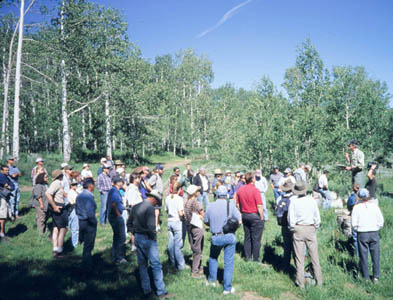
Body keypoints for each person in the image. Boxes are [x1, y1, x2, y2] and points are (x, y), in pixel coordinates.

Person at [128, 190, 173, 299]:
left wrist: (133, 234)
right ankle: (161, 291)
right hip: (147, 238)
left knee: (142, 265)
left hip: (138, 237)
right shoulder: (149, 209)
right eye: (157, 202)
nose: (156, 204)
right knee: (156, 265)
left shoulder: (136, 206)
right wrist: (154, 238)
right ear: (153, 198)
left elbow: (129, 223)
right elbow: (151, 227)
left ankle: (146, 290)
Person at [204, 186, 241, 295]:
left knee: (213, 257)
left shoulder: (210, 206)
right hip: (229, 236)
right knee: (228, 263)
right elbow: (239, 221)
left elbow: (206, 221)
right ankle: (227, 288)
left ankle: (211, 281)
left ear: (216, 194)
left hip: (216, 237)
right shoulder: (231, 205)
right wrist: (233, 230)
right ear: (226, 195)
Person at [288, 181, 322, 288]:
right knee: (314, 256)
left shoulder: (294, 202)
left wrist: (293, 228)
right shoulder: (312, 201)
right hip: (310, 228)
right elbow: (317, 217)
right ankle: (319, 281)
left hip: (298, 228)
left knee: (299, 257)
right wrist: (315, 227)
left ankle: (300, 282)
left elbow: (291, 219)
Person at [351, 188, 384, 283]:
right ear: (368, 196)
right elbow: (381, 221)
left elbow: (354, 224)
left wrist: (359, 229)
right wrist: (376, 227)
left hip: (362, 233)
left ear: (359, 197)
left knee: (363, 255)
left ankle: (366, 277)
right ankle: (376, 277)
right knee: (375, 255)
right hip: (374, 232)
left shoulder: (356, 208)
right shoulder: (375, 207)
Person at [236, 172, 264, 262]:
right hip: (254, 215)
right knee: (256, 238)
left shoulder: (240, 190)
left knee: (247, 237)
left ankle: (247, 258)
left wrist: (241, 212)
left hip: (245, 215)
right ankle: (256, 259)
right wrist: (262, 217)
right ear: (252, 179)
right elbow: (259, 205)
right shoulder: (255, 190)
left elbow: (237, 204)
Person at [76, 178, 97, 269]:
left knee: (85, 243)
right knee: (89, 245)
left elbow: (76, 209)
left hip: (81, 221)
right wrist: (94, 222)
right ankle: (87, 265)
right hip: (88, 222)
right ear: (90, 185)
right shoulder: (88, 197)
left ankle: (85, 262)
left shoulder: (79, 195)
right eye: (93, 185)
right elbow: (89, 212)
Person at [184, 184, 205, 278]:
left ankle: (200, 267)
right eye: (197, 191)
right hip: (197, 227)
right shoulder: (196, 203)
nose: (198, 192)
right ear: (194, 193)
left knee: (194, 248)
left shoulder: (186, 202)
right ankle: (195, 271)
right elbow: (202, 214)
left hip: (189, 227)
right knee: (198, 250)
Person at [46, 170, 68, 258]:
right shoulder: (56, 183)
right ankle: (59, 250)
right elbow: (47, 194)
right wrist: (54, 206)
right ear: (60, 176)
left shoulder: (57, 183)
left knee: (56, 228)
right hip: (59, 208)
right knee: (63, 229)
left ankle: (55, 249)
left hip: (58, 207)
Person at [165, 182, 185, 270]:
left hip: (170, 221)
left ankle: (172, 262)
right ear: (180, 189)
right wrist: (185, 216)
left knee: (171, 243)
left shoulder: (167, 198)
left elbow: (166, 210)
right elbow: (180, 213)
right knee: (178, 245)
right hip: (177, 222)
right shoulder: (179, 199)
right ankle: (181, 265)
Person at [107, 176, 127, 264]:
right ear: (118, 183)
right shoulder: (115, 191)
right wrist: (119, 215)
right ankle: (120, 257)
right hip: (116, 217)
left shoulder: (113, 190)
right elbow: (114, 204)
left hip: (113, 216)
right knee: (121, 237)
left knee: (116, 237)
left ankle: (114, 256)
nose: (122, 183)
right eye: (121, 181)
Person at [276, 181, 295, 268]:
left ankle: (285, 264)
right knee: (295, 246)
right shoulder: (294, 198)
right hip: (293, 224)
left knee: (286, 246)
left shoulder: (280, 198)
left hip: (283, 224)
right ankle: (296, 266)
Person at [125, 173, 143, 252]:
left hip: (138, 211)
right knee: (134, 230)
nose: (139, 179)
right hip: (135, 212)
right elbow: (131, 203)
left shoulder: (135, 188)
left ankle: (137, 244)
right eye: (138, 178)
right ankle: (134, 246)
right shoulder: (132, 189)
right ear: (134, 179)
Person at [0, 165, 14, 239]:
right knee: (2, 216)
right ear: (2, 170)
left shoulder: (7, 178)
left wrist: (8, 186)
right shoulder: (1, 176)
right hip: (2, 198)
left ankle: (3, 232)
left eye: (8, 170)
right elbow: (8, 185)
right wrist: (8, 186)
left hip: (6, 198)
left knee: (4, 216)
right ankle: (2, 233)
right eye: (5, 170)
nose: (7, 171)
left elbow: (13, 186)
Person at [33, 173, 49, 237]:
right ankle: (40, 233)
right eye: (45, 177)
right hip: (40, 204)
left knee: (45, 217)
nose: (47, 178)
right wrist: (41, 204)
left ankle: (45, 230)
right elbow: (38, 196)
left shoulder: (46, 185)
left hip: (46, 203)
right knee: (41, 218)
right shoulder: (38, 186)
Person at [347, 183, 361, 256]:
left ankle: (357, 255)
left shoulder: (352, 197)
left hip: (355, 217)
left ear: (353, 189)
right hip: (363, 218)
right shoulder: (363, 197)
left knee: (355, 237)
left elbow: (349, 207)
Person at [7, 156, 22, 220]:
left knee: (17, 199)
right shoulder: (7, 168)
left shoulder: (15, 167)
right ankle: (11, 214)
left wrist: (16, 174)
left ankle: (16, 214)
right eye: (11, 159)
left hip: (17, 184)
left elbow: (20, 174)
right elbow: (13, 175)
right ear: (8, 160)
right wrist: (16, 174)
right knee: (12, 200)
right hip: (11, 184)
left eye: (13, 159)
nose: (13, 160)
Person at [67, 179, 80, 249]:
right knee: (75, 228)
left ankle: (73, 243)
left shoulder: (75, 192)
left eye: (76, 184)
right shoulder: (71, 192)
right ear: (70, 185)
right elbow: (76, 201)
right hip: (73, 209)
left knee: (73, 227)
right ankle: (74, 244)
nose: (75, 186)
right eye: (73, 184)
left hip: (75, 209)